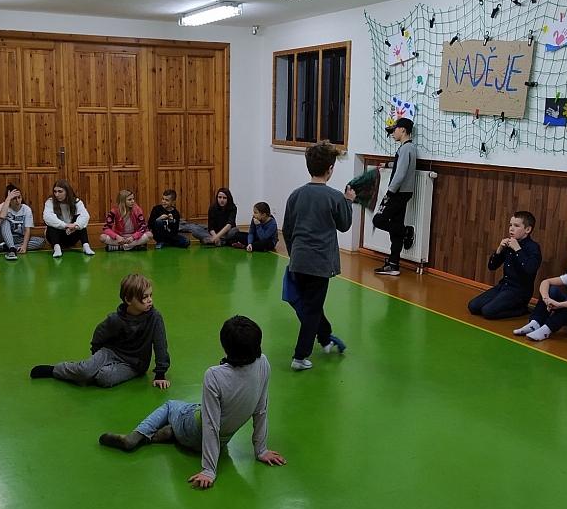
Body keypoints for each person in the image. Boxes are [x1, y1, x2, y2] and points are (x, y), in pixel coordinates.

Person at [99, 315, 286, 490]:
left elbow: (211, 424)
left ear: (225, 346)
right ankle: (170, 434)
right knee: (194, 410)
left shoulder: (214, 375)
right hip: (222, 442)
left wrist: (209, 470)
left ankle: (135, 436)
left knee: (171, 406)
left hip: (195, 430)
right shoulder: (263, 364)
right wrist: (261, 450)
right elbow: (261, 409)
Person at [282, 140, 355, 371]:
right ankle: (300, 356)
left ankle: (324, 338)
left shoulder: (295, 195)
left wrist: (294, 255)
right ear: (330, 169)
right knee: (312, 308)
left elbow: (287, 229)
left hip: (299, 260)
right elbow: (344, 225)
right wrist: (349, 201)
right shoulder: (335, 197)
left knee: (311, 303)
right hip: (320, 263)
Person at [30, 273, 170, 389]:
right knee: (85, 370)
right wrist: (96, 353)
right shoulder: (115, 319)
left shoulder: (155, 318)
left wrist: (160, 374)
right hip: (110, 352)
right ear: (128, 300)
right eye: (144, 297)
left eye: (150, 295)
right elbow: (100, 332)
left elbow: (160, 345)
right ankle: (55, 370)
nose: (150, 300)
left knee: (105, 378)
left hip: (134, 363)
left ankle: (83, 376)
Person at [468, 211, 542, 320]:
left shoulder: (533, 247)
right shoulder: (509, 244)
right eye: (510, 225)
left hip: (519, 292)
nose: (511, 229)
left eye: (516, 226)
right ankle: (498, 302)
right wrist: (499, 249)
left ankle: (522, 309)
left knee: (488, 312)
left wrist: (518, 249)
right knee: (473, 307)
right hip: (504, 286)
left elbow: (530, 269)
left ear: (527, 229)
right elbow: (491, 266)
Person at [372, 118, 417, 276]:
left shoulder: (406, 148)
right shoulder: (408, 149)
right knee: (395, 227)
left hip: (399, 193)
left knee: (378, 220)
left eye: (394, 130)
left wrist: (389, 193)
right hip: (403, 193)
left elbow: (400, 173)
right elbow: (401, 165)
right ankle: (393, 264)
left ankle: (407, 231)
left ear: (403, 130)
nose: (392, 133)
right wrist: (388, 165)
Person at [0, 184, 45, 260]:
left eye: (19, 197)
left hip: (18, 238)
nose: (17, 200)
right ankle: (11, 250)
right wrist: (8, 199)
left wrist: (24, 246)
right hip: (2, 237)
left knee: (41, 241)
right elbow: (2, 216)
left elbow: (27, 230)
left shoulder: (26, 209)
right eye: (14, 198)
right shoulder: (4, 205)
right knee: (5, 221)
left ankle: (5, 247)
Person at [44, 179, 94, 258]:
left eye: (60, 192)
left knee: (80, 221)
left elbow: (85, 215)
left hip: (71, 234)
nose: (57, 194)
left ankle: (86, 246)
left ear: (67, 192)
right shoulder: (50, 202)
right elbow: (48, 217)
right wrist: (65, 225)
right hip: (56, 237)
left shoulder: (76, 201)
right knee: (51, 223)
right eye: (55, 192)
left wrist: (75, 226)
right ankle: (57, 248)